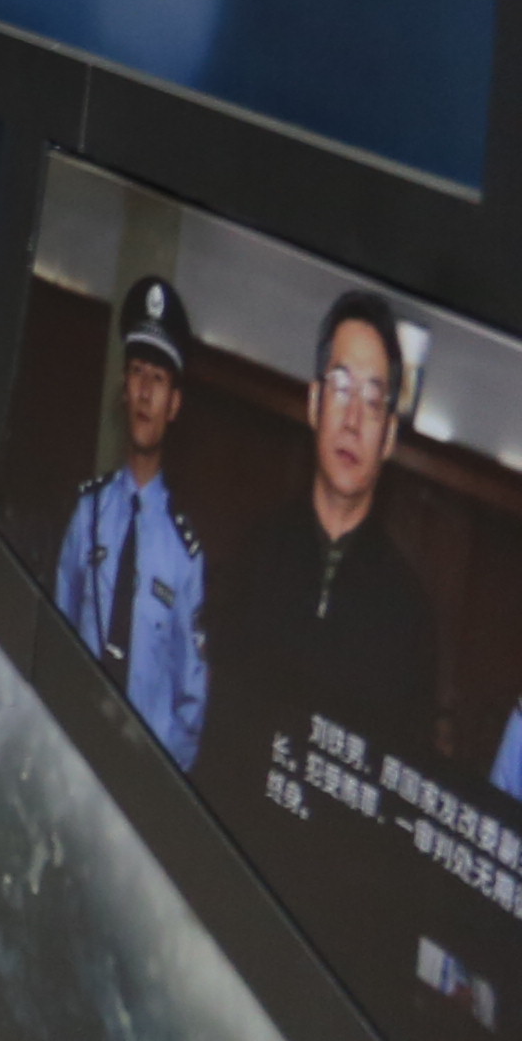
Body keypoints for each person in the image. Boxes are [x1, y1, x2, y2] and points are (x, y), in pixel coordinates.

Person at [208, 289, 446, 797]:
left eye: (373, 402)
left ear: (389, 437)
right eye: (340, 388)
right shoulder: (254, 554)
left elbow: (401, 791)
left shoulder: (409, 614)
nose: (353, 419)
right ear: (315, 404)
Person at [52, 272, 210, 772]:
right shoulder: (88, 513)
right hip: (71, 755)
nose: (144, 392)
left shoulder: (185, 556)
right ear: (124, 387)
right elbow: (57, 635)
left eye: (158, 380)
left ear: (174, 405)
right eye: (137, 372)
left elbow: (192, 702)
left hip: (138, 772)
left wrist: (153, 778)